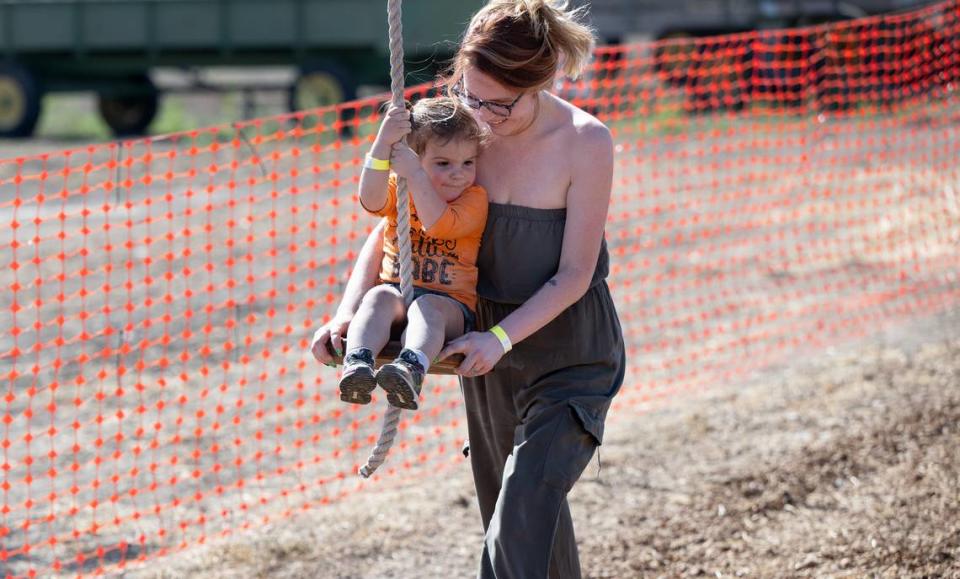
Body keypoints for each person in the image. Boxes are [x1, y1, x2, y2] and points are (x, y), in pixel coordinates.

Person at [311, 1, 624, 576]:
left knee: (522, 512)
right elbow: (390, 230)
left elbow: (574, 275)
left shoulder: (587, 142)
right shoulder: (458, 131)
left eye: (498, 103)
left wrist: (499, 338)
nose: (481, 115)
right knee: (516, 515)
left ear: (543, 80)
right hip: (482, 357)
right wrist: (345, 314)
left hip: (567, 355)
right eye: (470, 94)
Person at [335, 96, 488, 411]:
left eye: (468, 163)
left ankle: (410, 367)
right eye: (443, 163)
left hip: (450, 306)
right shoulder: (402, 188)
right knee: (376, 298)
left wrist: (419, 175)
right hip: (396, 292)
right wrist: (382, 145)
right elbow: (370, 200)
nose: (459, 174)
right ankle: (358, 363)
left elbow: (439, 224)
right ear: (413, 157)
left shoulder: (474, 200)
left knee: (427, 307)